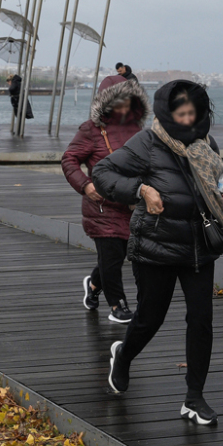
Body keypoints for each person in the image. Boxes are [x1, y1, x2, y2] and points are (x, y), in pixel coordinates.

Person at [92, 80, 223, 426]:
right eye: (182, 114)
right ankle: (123, 356)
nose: (189, 121)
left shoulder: (206, 144)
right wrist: (141, 189)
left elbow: (218, 188)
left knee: (201, 321)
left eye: (194, 113)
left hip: (199, 249)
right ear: (167, 113)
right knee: (149, 318)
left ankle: (194, 398)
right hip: (155, 248)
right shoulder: (147, 142)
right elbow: (102, 173)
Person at [62, 74, 150, 324]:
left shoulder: (138, 129)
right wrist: (85, 185)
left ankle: (93, 285)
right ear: (106, 102)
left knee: (117, 256)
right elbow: (69, 159)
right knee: (111, 257)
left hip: (132, 204)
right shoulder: (90, 129)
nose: (124, 106)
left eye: (128, 100)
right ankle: (117, 305)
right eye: (118, 101)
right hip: (102, 207)